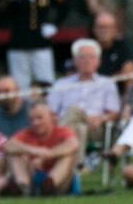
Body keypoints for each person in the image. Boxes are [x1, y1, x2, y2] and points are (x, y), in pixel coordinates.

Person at [46, 38, 119, 167]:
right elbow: (50, 112)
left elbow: (114, 113)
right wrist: (57, 121)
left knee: (74, 109)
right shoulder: (61, 84)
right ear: (74, 61)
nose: (87, 60)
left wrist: (102, 118)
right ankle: (79, 166)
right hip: (70, 125)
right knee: (79, 127)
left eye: (91, 57)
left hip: (95, 128)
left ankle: (54, 151)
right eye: (83, 57)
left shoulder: (107, 83)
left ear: (98, 61)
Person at [0, 0, 63, 92]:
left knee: (46, 82)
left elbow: (63, 7)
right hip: (18, 43)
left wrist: (54, 25)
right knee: (20, 84)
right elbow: (1, 14)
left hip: (40, 42)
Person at [3, 101, 79, 196]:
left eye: (39, 118)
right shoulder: (27, 134)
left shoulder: (62, 131)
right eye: (32, 120)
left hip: (60, 182)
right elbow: (7, 145)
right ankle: (22, 186)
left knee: (69, 154)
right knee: (15, 153)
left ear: (51, 116)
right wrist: (32, 150)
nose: (35, 123)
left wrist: (48, 154)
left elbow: (73, 144)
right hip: (32, 175)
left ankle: (50, 184)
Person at [91, 10, 133, 87]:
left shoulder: (123, 46)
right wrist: (116, 76)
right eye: (101, 27)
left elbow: (128, 75)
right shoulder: (87, 47)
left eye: (108, 27)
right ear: (94, 29)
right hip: (91, 91)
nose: (104, 31)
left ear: (115, 30)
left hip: (117, 92)